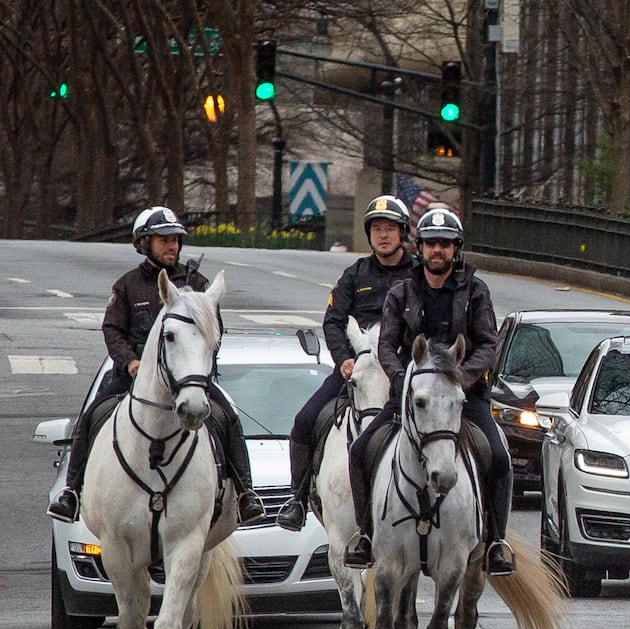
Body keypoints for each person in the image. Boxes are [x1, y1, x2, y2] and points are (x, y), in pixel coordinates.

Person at [47, 207, 263, 526]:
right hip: (134, 376)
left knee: (226, 416)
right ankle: (71, 491)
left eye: (175, 239)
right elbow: (113, 330)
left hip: (185, 377)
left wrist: (200, 371)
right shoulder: (127, 286)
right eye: (163, 240)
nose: (172, 246)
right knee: (93, 414)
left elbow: (213, 332)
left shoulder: (197, 283)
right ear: (144, 243)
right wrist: (130, 361)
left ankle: (246, 493)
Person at [342, 206, 514, 577]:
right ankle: (365, 535)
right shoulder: (402, 292)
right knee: (359, 451)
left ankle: (497, 541)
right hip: (410, 399)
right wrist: (402, 378)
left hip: (463, 399)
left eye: (446, 244)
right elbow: (385, 345)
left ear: (457, 249)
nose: (438, 250)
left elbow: (488, 344)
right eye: (432, 243)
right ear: (420, 246)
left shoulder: (476, 291)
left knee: (498, 457)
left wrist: (461, 378)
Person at [275, 195, 418, 531]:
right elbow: (333, 321)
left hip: (404, 371)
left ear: (403, 234)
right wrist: (344, 360)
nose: (384, 235)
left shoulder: (418, 274)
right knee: (305, 420)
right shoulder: (354, 274)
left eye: (391, 229)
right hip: (361, 370)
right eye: (377, 229)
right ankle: (297, 498)